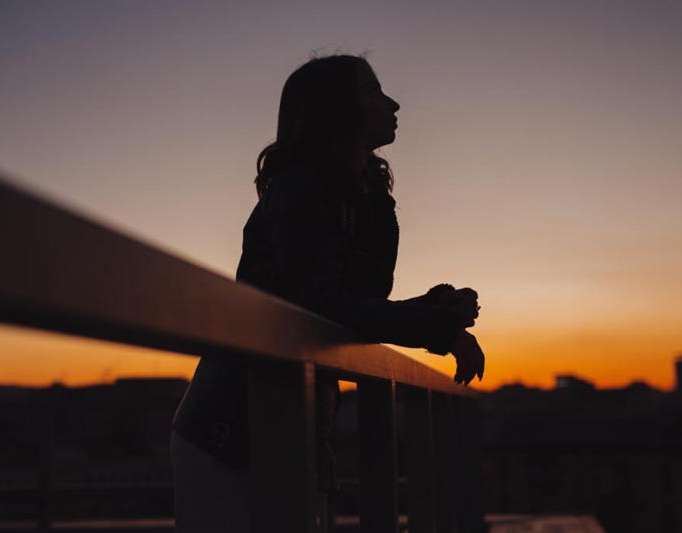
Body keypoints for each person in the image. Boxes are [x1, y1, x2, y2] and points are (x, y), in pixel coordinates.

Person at [171, 54, 485, 532]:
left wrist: (439, 319)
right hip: (231, 434)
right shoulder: (301, 188)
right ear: (337, 107)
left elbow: (353, 304)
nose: (394, 103)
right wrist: (436, 322)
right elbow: (324, 308)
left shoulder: (358, 198)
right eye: (373, 91)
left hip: (290, 427)